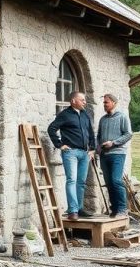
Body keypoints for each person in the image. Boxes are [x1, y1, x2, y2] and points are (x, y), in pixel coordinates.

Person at [47, 91, 95, 220]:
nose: (85, 102)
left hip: (85, 153)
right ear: (73, 101)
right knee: (71, 180)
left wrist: (92, 149)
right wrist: (60, 144)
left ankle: (79, 208)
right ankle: (72, 211)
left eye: (84, 100)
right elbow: (51, 128)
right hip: (71, 153)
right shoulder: (65, 115)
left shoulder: (85, 114)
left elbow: (91, 133)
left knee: (81, 182)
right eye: (82, 100)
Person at [96, 93, 131, 218]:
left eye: (106, 102)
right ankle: (114, 209)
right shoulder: (103, 119)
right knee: (109, 182)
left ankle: (122, 209)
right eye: (104, 102)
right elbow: (98, 136)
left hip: (118, 153)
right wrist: (98, 147)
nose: (104, 105)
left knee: (116, 180)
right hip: (104, 155)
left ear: (114, 103)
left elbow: (128, 134)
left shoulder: (122, 117)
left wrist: (114, 143)